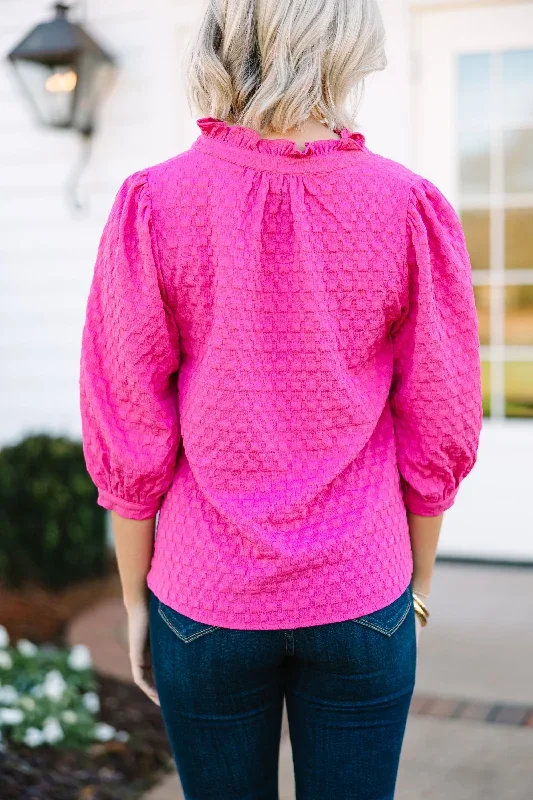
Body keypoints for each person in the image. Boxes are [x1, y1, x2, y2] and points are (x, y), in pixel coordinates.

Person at [79, 0, 483, 797]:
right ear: (349, 46)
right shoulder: (405, 206)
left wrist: (134, 601)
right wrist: (419, 585)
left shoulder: (154, 204)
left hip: (203, 598)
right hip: (363, 590)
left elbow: (129, 416)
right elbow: (436, 414)